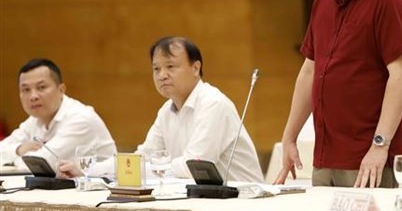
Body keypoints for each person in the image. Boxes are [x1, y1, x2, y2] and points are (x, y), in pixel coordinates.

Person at [274, 0, 402, 188]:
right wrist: (289, 136)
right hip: (325, 156)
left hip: (369, 159)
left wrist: (379, 146)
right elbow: (309, 70)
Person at [59, 36, 263, 182]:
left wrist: (148, 169)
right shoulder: (167, 110)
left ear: (195, 68)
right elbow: (143, 156)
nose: (162, 75)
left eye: (171, 67)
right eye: (156, 68)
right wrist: (91, 170)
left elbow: (193, 166)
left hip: (243, 201)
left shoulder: (213, 103)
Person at [0, 58, 116, 170]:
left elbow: (42, 164)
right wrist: (19, 149)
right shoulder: (35, 120)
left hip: (101, 188)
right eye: (26, 90)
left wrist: (11, 160)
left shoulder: (80, 118)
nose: (33, 96)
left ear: (61, 90)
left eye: (41, 87)